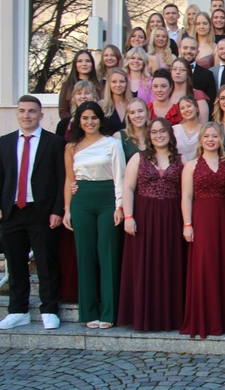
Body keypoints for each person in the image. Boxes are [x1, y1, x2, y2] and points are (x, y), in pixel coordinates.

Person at [0, 95, 66, 331]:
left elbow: (62, 179)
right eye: (22, 111)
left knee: (46, 262)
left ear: (41, 115)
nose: (26, 115)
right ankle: (18, 310)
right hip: (11, 212)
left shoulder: (54, 142)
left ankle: (49, 309)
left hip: (42, 212)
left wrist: (58, 209)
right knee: (15, 263)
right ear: (16, 114)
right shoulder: (4, 143)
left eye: (31, 111)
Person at [117, 117, 184, 331]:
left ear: (170, 134)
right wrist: (128, 216)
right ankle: (144, 316)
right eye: (154, 132)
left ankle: (169, 317)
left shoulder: (180, 160)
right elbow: (128, 188)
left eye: (162, 131)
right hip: (144, 217)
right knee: (144, 265)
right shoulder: (138, 158)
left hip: (172, 218)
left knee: (169, 264)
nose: (158, 135)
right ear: (149, 135)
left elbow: (187, 193)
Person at [63, 101, 126, 330]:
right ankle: (89, 311)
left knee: (108, 254)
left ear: (101, 119)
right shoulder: (72, 146)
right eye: (85, 118)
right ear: (79, 121)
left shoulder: (112, 143)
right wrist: (67, 210)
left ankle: (109, 311)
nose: (90, 122)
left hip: (107, 198)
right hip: (82, 201)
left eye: (94, 118)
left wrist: (120, 206)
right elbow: (70, 180)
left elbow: (120, 176)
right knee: (85, 255)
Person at [180, 123, 225, 338]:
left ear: (221, 139)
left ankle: (224, 318)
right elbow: (186, 197)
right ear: (201, 140)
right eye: (207, 136)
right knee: (204, 266)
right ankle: (204, 319)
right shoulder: (191, 165)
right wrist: (187, 224)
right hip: (201, 219)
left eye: (215, 136)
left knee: (224, 264)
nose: (211, 139)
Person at [59, 51, 103, 120]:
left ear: (92, 64)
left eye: (88, 61)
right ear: (75, 64)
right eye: (80, 61)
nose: (84, 64)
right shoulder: (67, 85)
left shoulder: (100, 85)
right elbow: (63, 111)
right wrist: (76, 122)